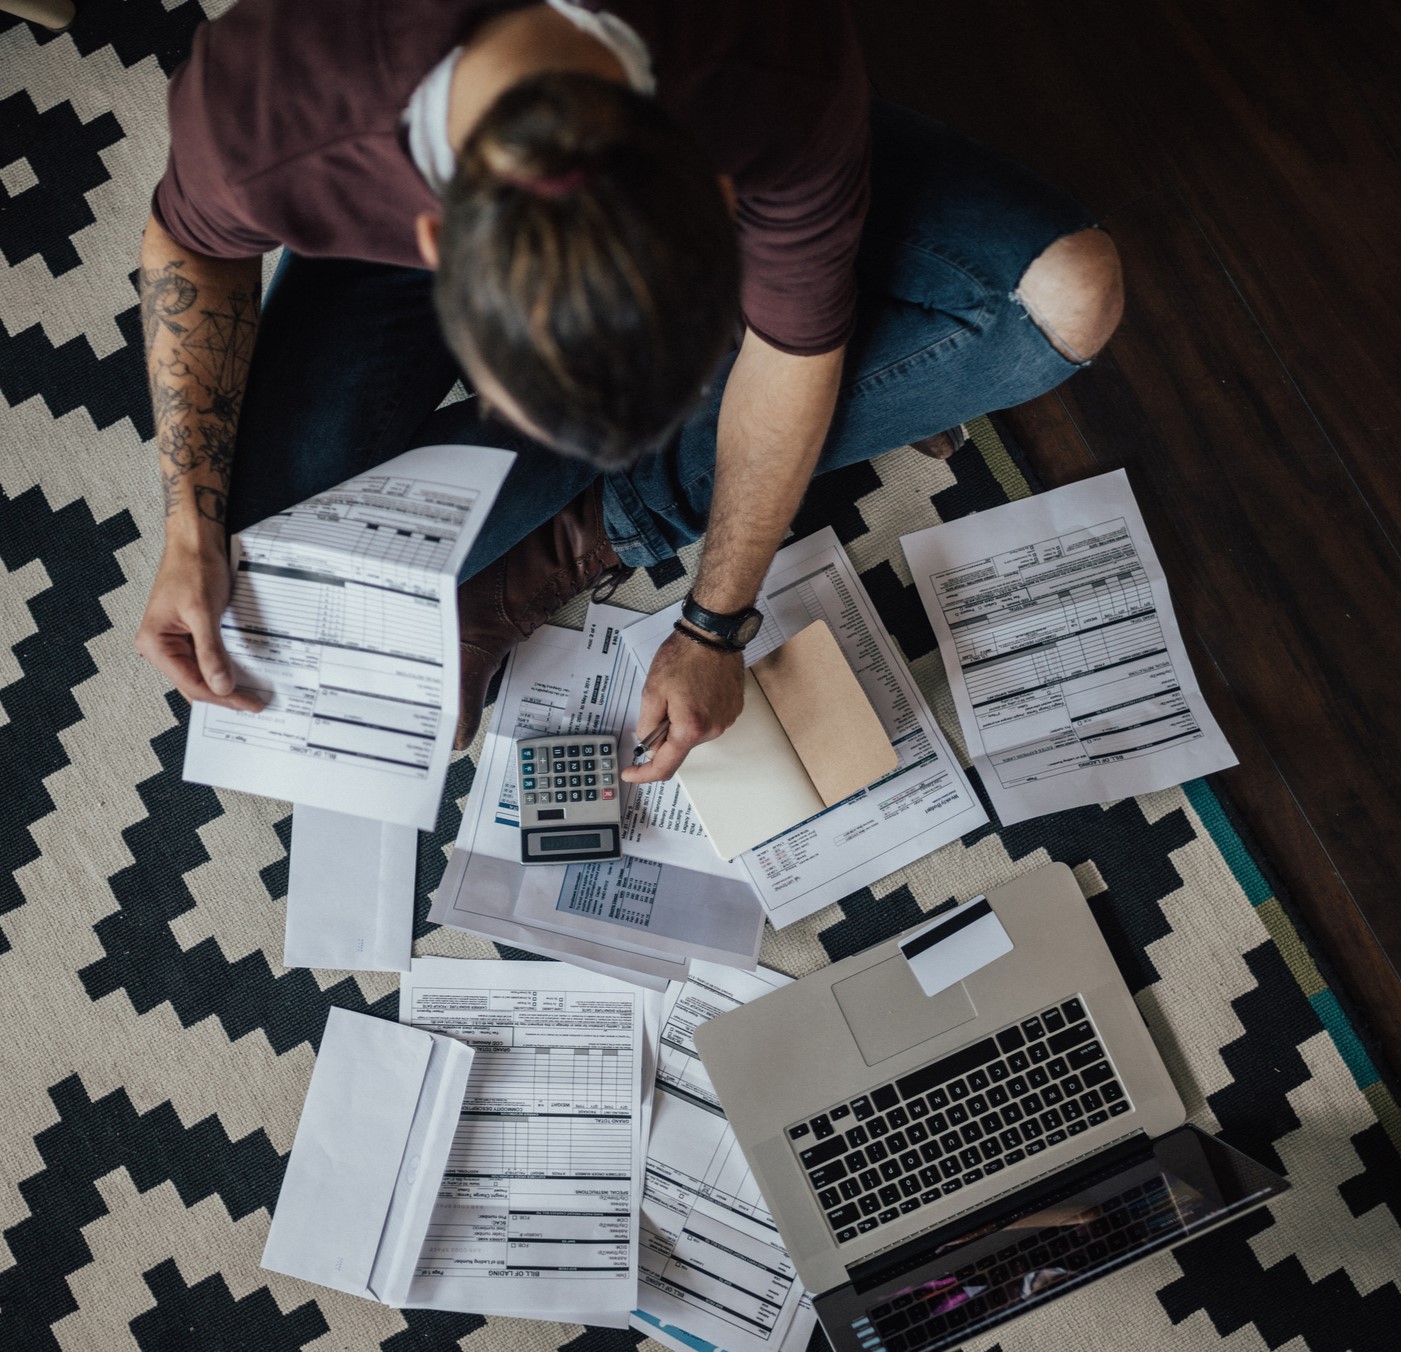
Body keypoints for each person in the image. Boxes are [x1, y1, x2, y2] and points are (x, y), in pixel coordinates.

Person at [134, 0, 1122, 786]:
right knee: (266, 565)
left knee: (1065, 300)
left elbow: (793, 352)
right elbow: (187, 247)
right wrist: (189, 525)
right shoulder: (276, 103)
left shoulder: (770, 64)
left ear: (722, 199)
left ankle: (590, 531)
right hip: (396, 140)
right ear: (434, 241)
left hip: (741, 100)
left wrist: (715, 620)